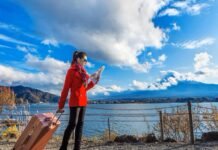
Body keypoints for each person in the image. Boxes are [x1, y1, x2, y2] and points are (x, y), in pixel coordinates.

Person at [57, 51, 98, 150]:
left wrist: (94, 82)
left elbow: (84, 88)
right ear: (78, 59)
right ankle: (63, 148)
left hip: (83, 102)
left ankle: (77, 148)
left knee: (80, 126)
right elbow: (66, 89)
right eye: (85, 60)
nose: (86, 62)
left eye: (87, 61)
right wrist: (61, 105)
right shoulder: (71, 71)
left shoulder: (84, 73)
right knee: (72, 125)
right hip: (75, 102)